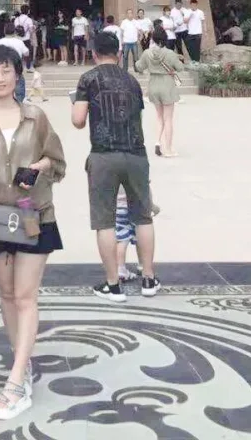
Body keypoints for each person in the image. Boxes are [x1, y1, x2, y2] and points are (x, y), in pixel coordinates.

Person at [0, 45, 66, 421]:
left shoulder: (36, 116)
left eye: (6, 70)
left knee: (26, 296)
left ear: (17, 75)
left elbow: (58, 162)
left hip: (33, 216)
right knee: (8, 294)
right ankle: (22, 364)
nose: (0, 78)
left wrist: (37, 167)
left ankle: (14, 384)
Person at [71, 29, 158, 301]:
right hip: (136, 154)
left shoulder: (88, 79)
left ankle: (113, 284)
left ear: (93, 53)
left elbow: (78, 120)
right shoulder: (132, 81)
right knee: (142, 217)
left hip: (104, 155)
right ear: (119, 53)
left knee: (105, 221)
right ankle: (148, 279)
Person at [136, 36, 187, 158]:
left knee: (159, 117)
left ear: (153, 40)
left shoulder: (147, 53)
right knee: (168, 119)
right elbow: (180, 68)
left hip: (153, 85)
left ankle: (158, 142)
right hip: (167, 86)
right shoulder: (170, 53)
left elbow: (139, 66)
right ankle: (168, 149)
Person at [0, 27, 29, 103]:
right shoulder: (19, 41)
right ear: (14, 32)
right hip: (16, 68)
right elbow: (26, 53)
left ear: (4, 31)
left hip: (3, 68)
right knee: (19, 89)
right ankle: (19, 104)